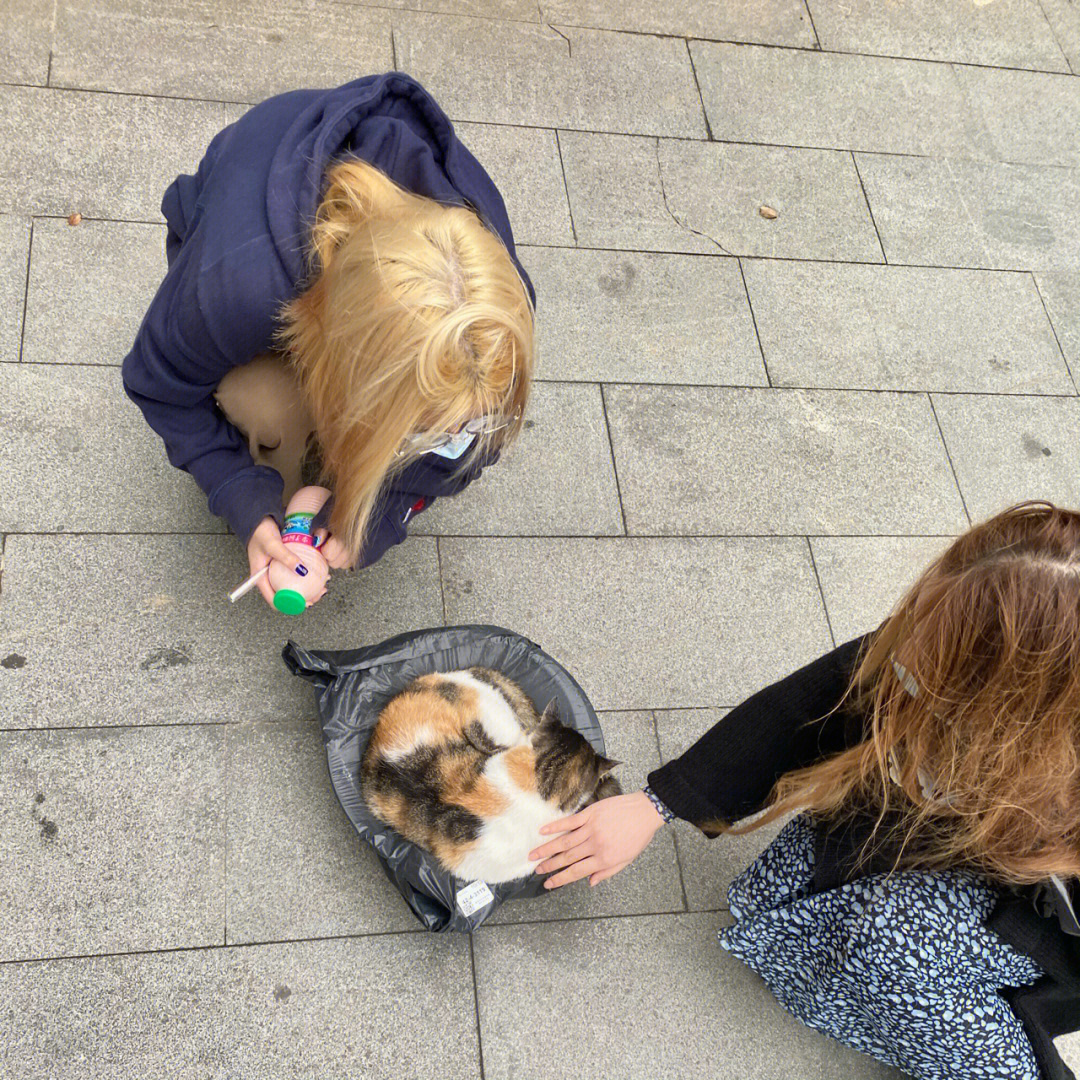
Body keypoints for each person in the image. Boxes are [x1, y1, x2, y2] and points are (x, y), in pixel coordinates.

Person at [531, 502, 1080, 1080]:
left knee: (889, 939)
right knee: (774, 910)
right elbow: (801, 707)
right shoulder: (931, 638)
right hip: (924, 830)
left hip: (1033, 914)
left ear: (1023, 712)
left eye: (941, 675)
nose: (908, 658)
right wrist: (657, 805)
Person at [122, 74, 535, 607]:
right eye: (429, 420)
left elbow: (473, 448)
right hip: (244, 255)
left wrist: (385, 513)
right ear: (349, 368)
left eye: (468, 415)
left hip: (341, 313)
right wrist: (241, 496)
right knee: (270, 410)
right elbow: (157, 384)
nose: (459, 432)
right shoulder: (237, 290)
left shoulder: (497, 309)